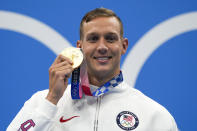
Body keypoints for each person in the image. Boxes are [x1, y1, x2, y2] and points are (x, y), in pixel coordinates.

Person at [7, 8, 178, 131]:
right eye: (93, 39)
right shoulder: (42, 103)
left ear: (123, 46)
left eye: (110, 39)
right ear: (80, 47)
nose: (102, 47)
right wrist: (52, 99)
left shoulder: (155, 115)